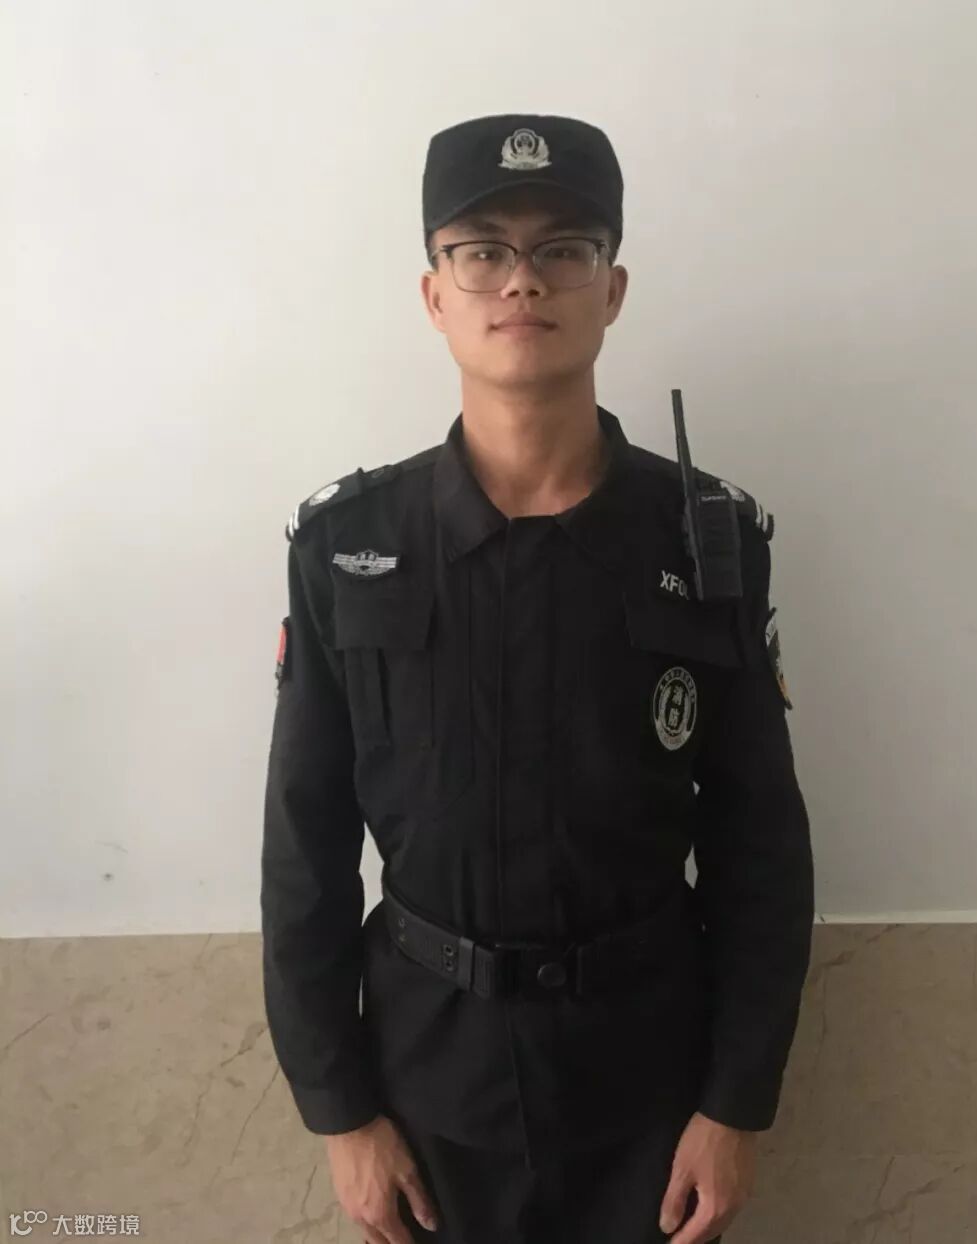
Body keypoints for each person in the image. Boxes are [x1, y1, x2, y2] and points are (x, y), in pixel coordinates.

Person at [261, 112, 815, 1244]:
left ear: (612, 288)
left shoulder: (702, 540)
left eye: (563, 247)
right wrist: (339, 1111)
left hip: (650, 1091)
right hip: (425, 1093)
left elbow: (761, 842)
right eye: (483, 251)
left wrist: (736, 1103)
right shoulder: (350, 547)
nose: (523, 280)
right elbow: (302, 849)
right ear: (436, 294)